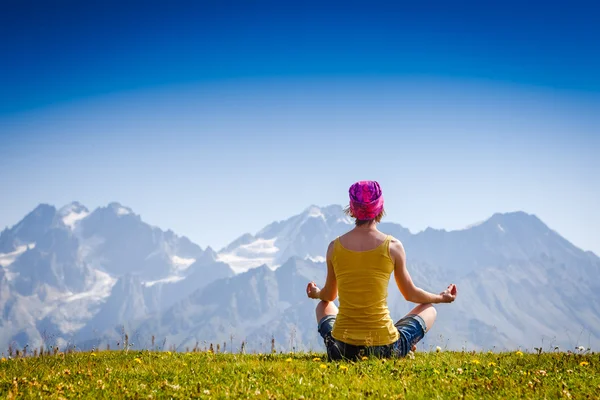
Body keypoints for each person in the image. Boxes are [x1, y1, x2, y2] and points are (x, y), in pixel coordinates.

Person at [306, 180, 457, 360]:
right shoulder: (392, 246)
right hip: (386, 348)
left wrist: (316, 293)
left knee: (323, 304)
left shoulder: (334, 247)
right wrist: (441, 297)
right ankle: (403, 346)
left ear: (352, 209)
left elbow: (329, 296)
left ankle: (352, 341)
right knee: (429, 309)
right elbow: (410, 294)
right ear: (380, 207)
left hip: (341, 350)